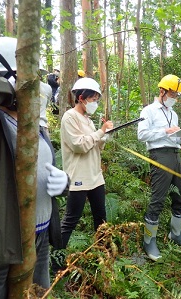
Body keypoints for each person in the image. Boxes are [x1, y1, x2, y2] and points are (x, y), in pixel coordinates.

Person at [0, 36, 69, 298]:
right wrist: (6, 87)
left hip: (37, 237)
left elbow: (41, 166)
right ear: (7, 77)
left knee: (36, 294)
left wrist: (64, 182)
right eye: (29, 77)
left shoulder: (33, 123)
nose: (37, 84)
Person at [137, 74, 181, 262]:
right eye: (172, 94)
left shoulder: (173, 113)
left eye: (177, 95)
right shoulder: (149, 111)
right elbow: (142, 134)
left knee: (180, 196)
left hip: (176, 155)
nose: (174, 98)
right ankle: (149, 240)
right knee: (158, 198)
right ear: (162, 91)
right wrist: (165, 131)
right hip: (159, 155)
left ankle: (175, 234)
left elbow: (174, 137)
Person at [59, 77, 114, 251]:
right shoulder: (70, 117)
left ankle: (103, 253)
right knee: (71, 219)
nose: (95, 103)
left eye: (97, 100)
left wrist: (105, 135)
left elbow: (96, 147)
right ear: (81, 98)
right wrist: (100, 132)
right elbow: (79, 145)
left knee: (101, 217)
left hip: (95, 176)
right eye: (92, 100)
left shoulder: (89, 120)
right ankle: (56, 259)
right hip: (78, 176)